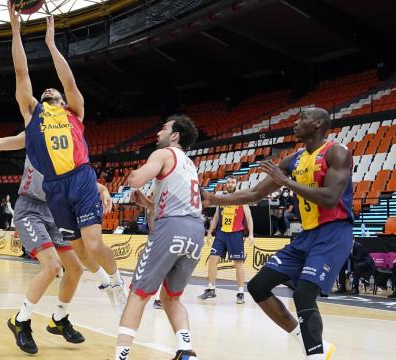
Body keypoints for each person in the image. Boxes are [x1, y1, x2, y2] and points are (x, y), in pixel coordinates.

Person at [0, 121, 118, 354]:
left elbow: (78, 177)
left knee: (75, 268)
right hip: (30, 208)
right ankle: (21, 321)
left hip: (54, 209)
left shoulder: (69, 143)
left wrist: (102, 188)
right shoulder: (34, 135)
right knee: (52, 267)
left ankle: (59, 319)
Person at [202, 107, 353, 360]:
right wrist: (214, 199)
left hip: (334, 233)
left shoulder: (337, 152)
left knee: (304, 293)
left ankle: (315, 355)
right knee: (259, 286)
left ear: (318, 124)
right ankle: (311, 344)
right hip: (307, 235)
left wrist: (287, 183)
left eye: (302, 119)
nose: (295, 123)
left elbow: (330, 198)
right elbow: (254, 194)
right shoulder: (292, 160)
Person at [9, 5, 127, 314]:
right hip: (55, 187)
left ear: (62, 101)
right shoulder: (32, 114)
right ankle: (103, 280)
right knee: (77, 252)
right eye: (46, 91)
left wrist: (50, 43)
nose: (51, 89)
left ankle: (117, 283)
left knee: (92, 244)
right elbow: (21, 72)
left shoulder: (73, 111)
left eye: (55, 92)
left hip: (81, 177)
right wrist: (15, 29)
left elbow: (70, 83)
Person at [115, 115, 203, 360]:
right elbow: (162, 210)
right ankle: (186, 351)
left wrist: (133, 176)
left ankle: (120, 356)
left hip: (172, 228)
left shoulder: (164, 154)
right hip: (196, 232)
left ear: (174, 135)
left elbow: (136, 180)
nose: (158, 133)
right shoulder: (189, 164)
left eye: (163, 129)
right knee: (170, 297)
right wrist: (148, 204)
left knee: (138, 293)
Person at [199, 175, 254, 304]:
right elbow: (216, 217)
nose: (230, 184)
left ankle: (240, 292)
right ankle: (211, 289)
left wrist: (251, 234)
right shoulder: (222, 198)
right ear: (226, 184)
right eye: (228, 182)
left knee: (238, 263)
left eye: (232, 182)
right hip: (221, 233)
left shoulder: (241, 199)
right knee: (213, 258)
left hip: (235, 234)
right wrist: (209, 232)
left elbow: (249, 217)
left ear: (236, 184)